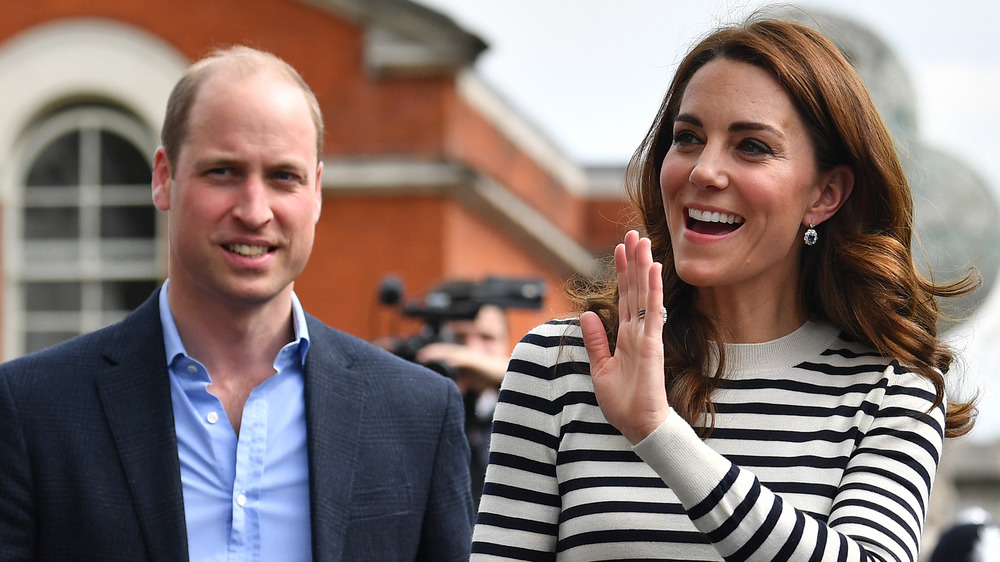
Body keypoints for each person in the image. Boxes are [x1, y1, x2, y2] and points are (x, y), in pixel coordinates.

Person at [471, 15, 978, 562]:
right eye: (688, 138)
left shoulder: (890, 390)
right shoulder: (561, 364)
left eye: (752, 146)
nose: (704, 170)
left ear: (825, 194)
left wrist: (658, 433)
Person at [0, 46, 473, 561]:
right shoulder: (33, 410)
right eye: (223, 172)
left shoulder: (418, 414)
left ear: (316, 192)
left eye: (282, 177)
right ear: (164, 178)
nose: (254, 211)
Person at [416, 304, 511, 504]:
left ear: (507, 343)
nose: (472, 348)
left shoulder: (517, 399)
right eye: (460, 338)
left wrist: (467, 360)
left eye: (487, 338)